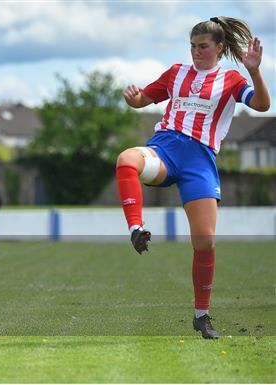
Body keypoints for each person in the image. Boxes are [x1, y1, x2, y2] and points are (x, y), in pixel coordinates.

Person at [116, 17, 270, 339]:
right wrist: (133, 100)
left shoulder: (230, 80)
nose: (196, 52)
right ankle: (136, 229)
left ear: (219, 47)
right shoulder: (176, 73)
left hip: (200, 160)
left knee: (205, 240)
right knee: (127, 159)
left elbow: (262, 104)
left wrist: (254, 70)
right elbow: (143, 99)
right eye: (192, 47)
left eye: (202, 47)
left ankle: (202, 316)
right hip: (166, 148)